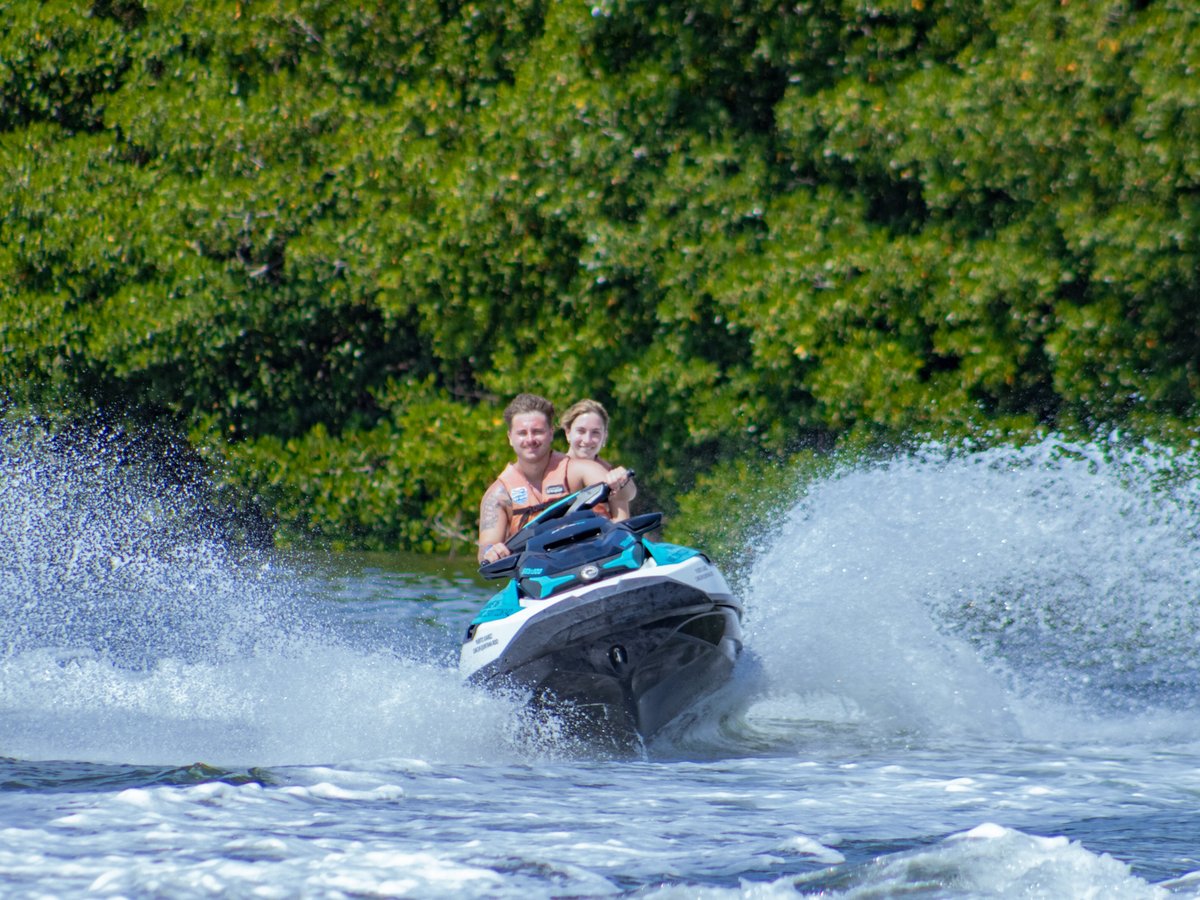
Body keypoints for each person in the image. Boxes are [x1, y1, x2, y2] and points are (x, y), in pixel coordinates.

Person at [478, 394, 631, 564]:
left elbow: (626, 494)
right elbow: (486, 547)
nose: (530, 439)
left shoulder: (578, 470)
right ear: (510, 438)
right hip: (539, 577)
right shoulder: (498, 495)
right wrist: (491, 552)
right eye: (522, 433)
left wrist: (622, 480)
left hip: (596, 561)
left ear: (551, 433)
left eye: (537, 432)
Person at [560, 398, 637, 518]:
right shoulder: (551, 470)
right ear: (568, 433)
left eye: (595, 432)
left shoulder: (612, 475)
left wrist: (623, 480)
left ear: (605, 436)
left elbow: (621, 522)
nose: (587, 440)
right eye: (581, 431)